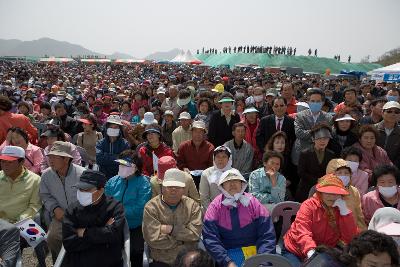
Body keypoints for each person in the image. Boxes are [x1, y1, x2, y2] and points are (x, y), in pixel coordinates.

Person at [202, 169, 276, 267]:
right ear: (222, 186)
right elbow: (210, 239)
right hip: (227, 256)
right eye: (228, 181)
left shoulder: (253, 203)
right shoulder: (215, 206)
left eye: (236, 180)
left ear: (242, 184)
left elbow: (267, 235)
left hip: (256, 253)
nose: (232, 184)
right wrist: (227, 262)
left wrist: (262, 262)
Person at [283, 174, 358, 266]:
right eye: (328, 193)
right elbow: (302, 231)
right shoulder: (308, 205)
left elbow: (350, 237)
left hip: (324, 251)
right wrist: (310, 251)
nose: (332, 197)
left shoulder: (341, 208)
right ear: (320, 193)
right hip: (295, 250)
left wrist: (345, 212)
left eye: (336, 193)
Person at [62, 169, 126, 267]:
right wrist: (102, 232)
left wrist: (83, 232)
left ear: (101, 190)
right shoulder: (72, 210)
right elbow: (69, 243)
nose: (81, 192)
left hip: (108, 262)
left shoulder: (115, 207)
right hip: (78, 262)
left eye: (86, 190)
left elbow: (114, 235)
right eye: (80, 189)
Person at [142, 168, 202, 267]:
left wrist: (171, 230)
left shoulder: (193, 206)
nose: (173, 190)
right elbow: (153, 239)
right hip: (162, 259)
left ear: (184, 189)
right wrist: (182, 241)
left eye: (178, 187)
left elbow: (195, 234)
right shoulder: (151, 207)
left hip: (188, 260)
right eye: (169, 186)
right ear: (162, 187)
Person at [39, 141, 86, 260]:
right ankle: (59, 260)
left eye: (55, 157)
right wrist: (55, 208)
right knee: (52, 237)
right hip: (60, 216)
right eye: (50, 156)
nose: (51, 160)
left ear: (66, 159)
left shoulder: (83, 174)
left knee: (83, 238)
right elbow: (45, 195)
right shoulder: (46, 175)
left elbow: (91, 197)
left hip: (82, 217)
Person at [105, 150, 152, 266]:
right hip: (113, 224)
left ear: (136, 167)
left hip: (134, 225)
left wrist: (118, 213)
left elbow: (140, 209)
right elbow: (105, 203)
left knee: (136, 251)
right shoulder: (112, 181)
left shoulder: (143, 184)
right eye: (120, 164)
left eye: (126, 165)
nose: (122, 167)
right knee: (108, 250)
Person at [0, 146, 41, 223]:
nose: (5, 165)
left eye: (10, 162)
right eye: (3, 161)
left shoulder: (35, 180)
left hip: (20, 223)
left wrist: (20, 220)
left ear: (22, 162)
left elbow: (34, 206)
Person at [296, 124, 336, 202]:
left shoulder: (331, 154)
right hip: (306, 190)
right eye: (319, 138)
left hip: (324, 190)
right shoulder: (305, 153)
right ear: (313, 139)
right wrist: (317, 180)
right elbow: (301, 172)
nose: (323, 141)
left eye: (325, 138)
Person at [292, 88, 333, 166]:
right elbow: (299, 133)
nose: (315, 103)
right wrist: (318, 132)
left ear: (323, 102)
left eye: (318, 101)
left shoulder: (328, 118)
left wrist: (310, 132)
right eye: (312, 101)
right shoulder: (300, 116)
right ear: (308, 102)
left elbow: (328, 135)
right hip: (301, 153)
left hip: (320, 155)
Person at [325, 159, 367, 230]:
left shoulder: (354, 191)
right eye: (339, 173)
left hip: (352, 231)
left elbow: (359, 216)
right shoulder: (324, 192)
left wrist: (362, 232)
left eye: (346, 173)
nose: (343, 176)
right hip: (330, 234)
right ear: (331, 174)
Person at [176, 120, 214, 188]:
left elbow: (211, 165)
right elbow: (179, 162)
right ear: (192, 132)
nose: (198, 133)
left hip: (205, 178)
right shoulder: (183, 146)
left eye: (201, 131)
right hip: (187, 178)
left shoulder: (210, 147)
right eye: (195, 131)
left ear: (204, 133)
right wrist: (184, 168)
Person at [200, 145, 233, 212]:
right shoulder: (206, 173)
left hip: (231, 209)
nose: (220, 159)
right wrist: (214, 212)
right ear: (214, 158)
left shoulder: (234, 173)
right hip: (211, 210)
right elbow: (204, 198)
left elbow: (237, 195)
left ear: (229, 159)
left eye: (224, 157)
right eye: (218, 156)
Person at [375, 101, 400, 169]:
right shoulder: (373, 129)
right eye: (389, 111)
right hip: (372, 167)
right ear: (382, 113)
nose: (393, 114)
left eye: (397, 112)